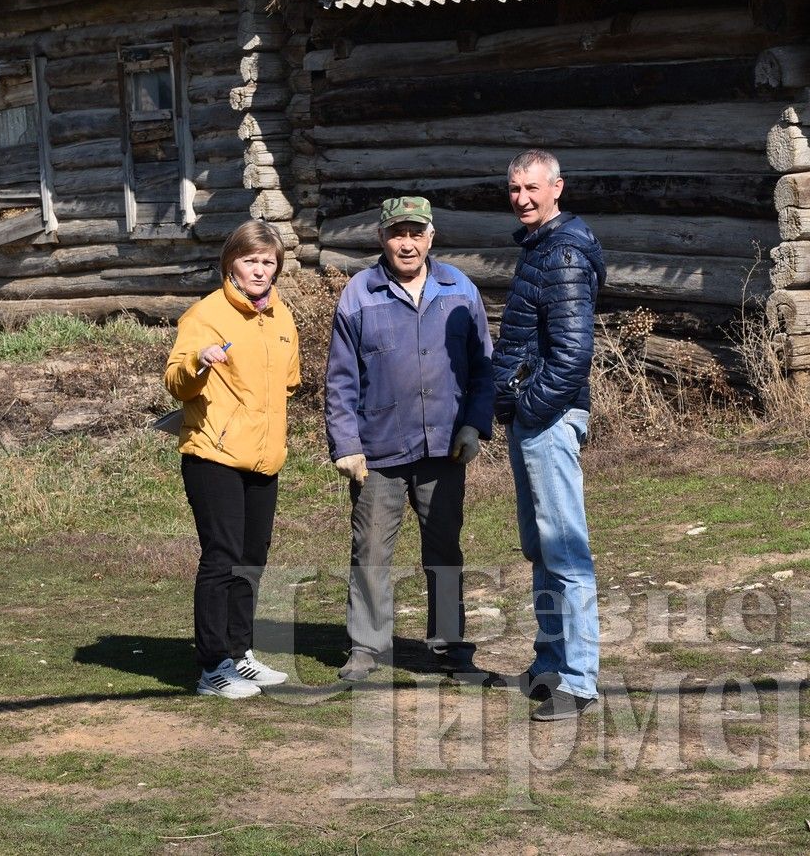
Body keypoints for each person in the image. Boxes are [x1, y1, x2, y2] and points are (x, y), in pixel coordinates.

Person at [325, 196, 498, 684]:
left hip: (446, 445)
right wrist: (346, 444)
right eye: (397, 233)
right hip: (378, 450)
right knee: (371, 550)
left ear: (431, 236)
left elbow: (483, 366)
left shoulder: (458, 287)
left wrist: (474, 424)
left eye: (416, 232)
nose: (407, 242)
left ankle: (451, 647)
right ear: (382, 237)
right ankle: (365, 648)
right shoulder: (360, 293)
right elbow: (340, 379)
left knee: (444, 548)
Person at [492, 150, 607, 721]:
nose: (522, 198)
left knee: (566, 550)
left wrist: (529, 407)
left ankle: (580, 681)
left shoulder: (562, 252)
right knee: (541, 546)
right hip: (533, 419)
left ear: (557, 187)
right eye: (514, 189)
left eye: (532, 187)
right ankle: (551, 661)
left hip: (550, 419)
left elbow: (571, 356)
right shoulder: (542, 246)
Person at [164, 220, 300, 699]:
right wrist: (199, 362)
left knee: (251, 559)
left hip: (264, 457)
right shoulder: (204, 315)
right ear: (230, 264)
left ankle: (240, 654)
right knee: (221, 558)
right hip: (213, 453)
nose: (260, 270)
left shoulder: (283, 319)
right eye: (250, 260)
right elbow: (176, 381)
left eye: (268, 261)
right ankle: (212, 666)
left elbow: (287, 384)